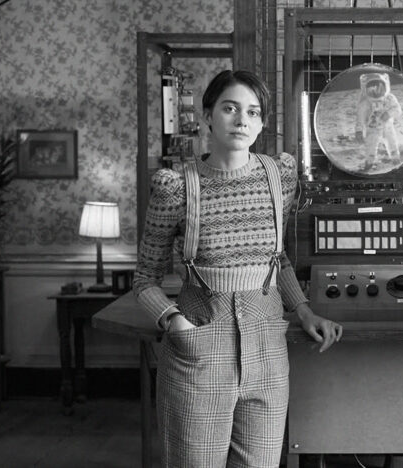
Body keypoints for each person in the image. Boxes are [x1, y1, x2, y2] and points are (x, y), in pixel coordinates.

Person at [133, 69, 343, 467]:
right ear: (208, 116)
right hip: (199, 351)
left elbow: (276, 259)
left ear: (261, 123)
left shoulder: (278, 177)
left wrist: (303, 310)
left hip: (268, 352)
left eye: (253, 111)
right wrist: (175, 323)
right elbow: (145, 278)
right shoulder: (177, 187)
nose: (242, 120)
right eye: (230, 108)